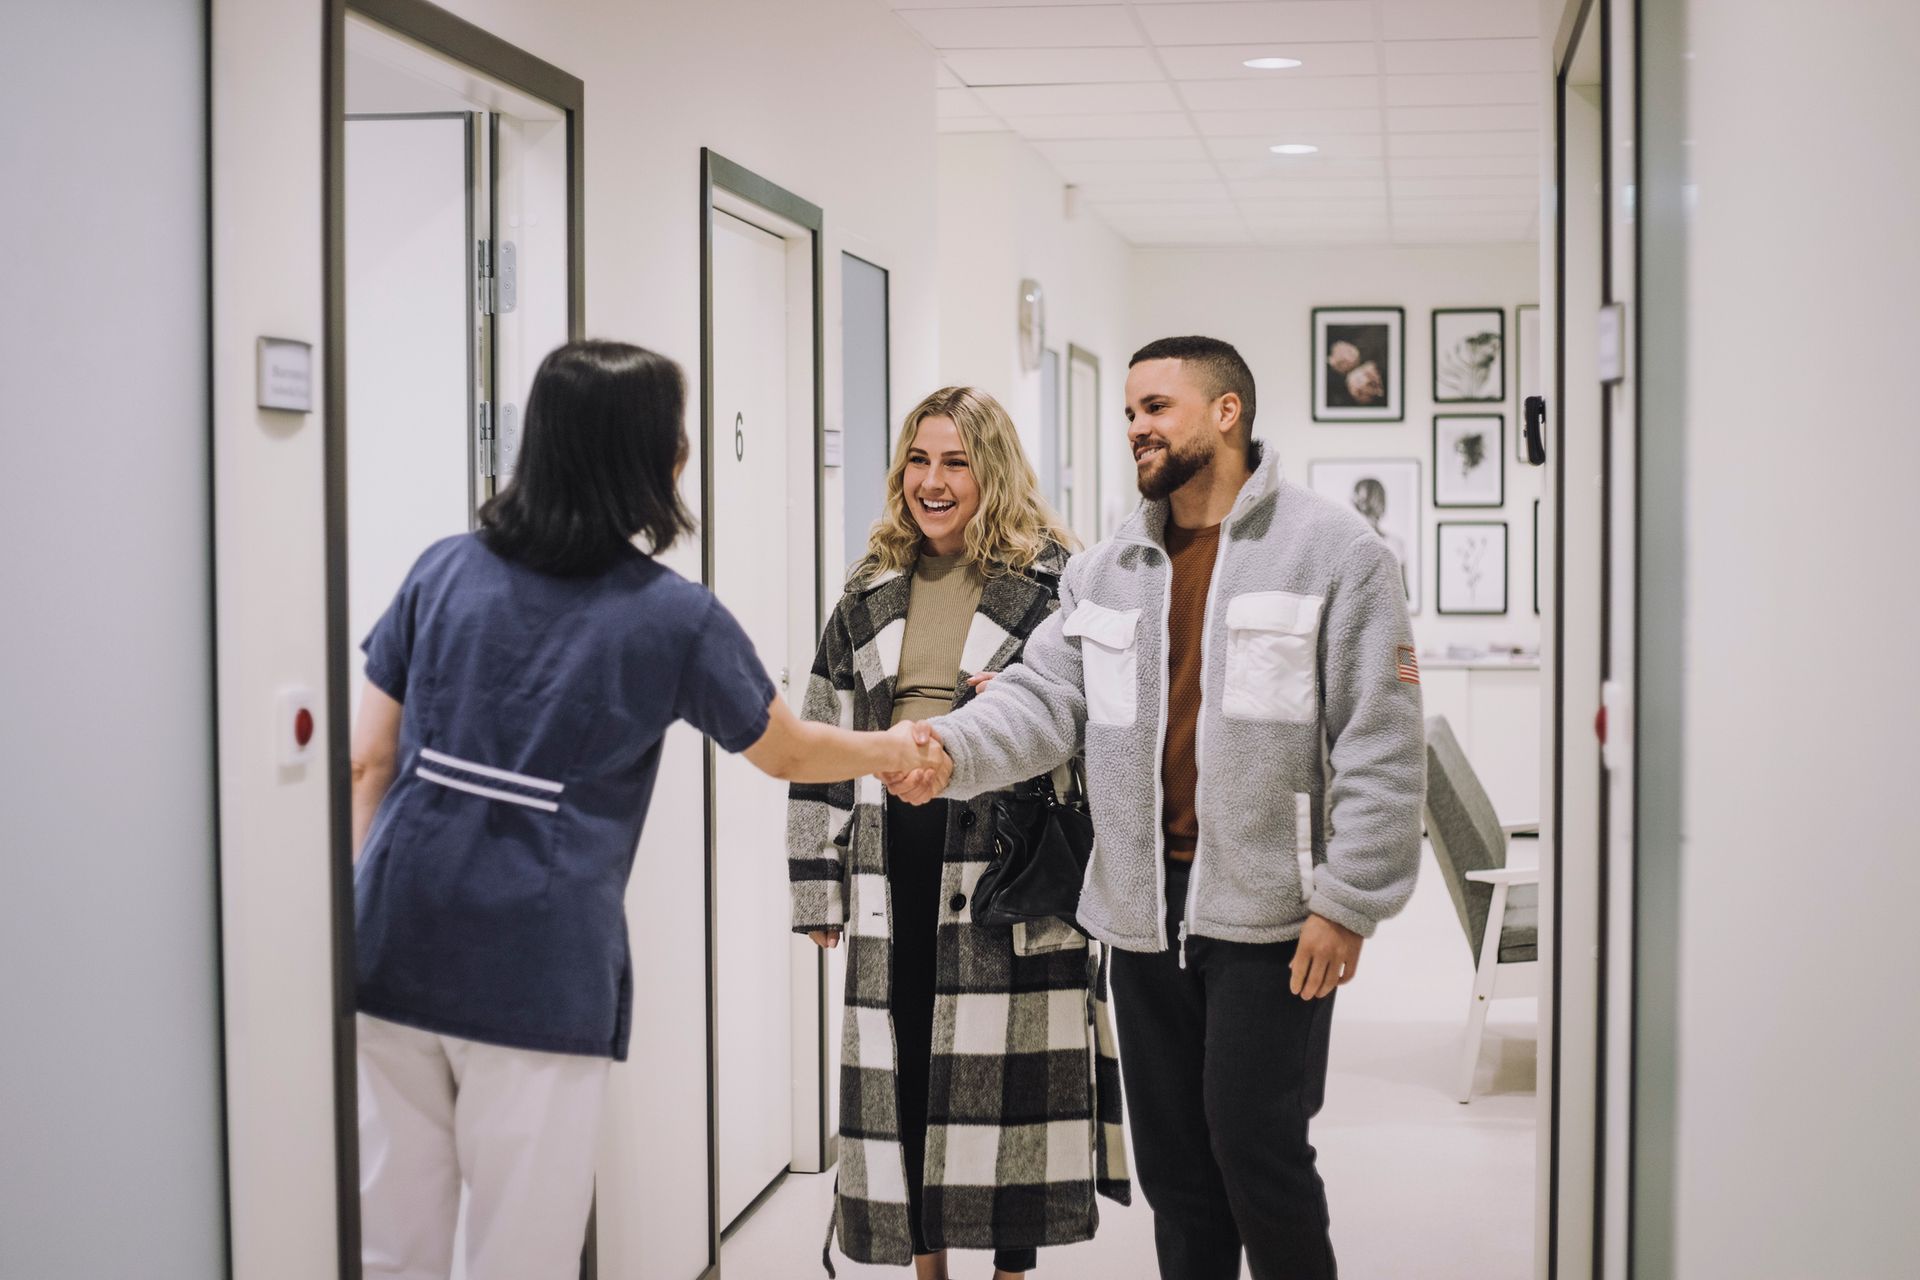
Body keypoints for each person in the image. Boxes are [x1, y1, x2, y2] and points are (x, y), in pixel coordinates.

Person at [348, 340, 945, 1280]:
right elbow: (785, 747)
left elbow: (367, 760)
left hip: (391, 940)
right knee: (520, 1249)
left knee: (389, 1243)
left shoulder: (443, 571)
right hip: (538, 967)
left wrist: (375, 900)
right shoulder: (670, 616)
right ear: (654, 458)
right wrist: (897, 748)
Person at [886, 337, 1426, 1280]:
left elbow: (1381, 741)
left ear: (1227, 413)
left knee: (1259, 1157)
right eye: (1130, 409)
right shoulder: (1109, 569)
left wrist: (1348, 901)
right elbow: (1043, 698)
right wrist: (945, 749)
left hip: (1272, 916)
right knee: (1177, 1173)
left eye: (1156, 407)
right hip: (1140, 913)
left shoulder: (1335, 553)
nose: (1136, 425)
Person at [788, 387, 1130, 1280]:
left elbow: (1105, 722)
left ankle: (1011, 1270)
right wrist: (816, 883)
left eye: (955, 462)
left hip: (1011, 854)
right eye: (918, 460)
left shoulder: (1060, 582)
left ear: (993, 471)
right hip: (890, 857)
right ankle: (926, 1266)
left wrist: (1005, 719)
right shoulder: (868, 590)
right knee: (905, 1056)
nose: (932, 483)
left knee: (1011, 1079)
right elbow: (822, 733)